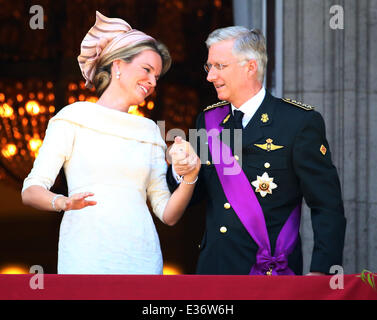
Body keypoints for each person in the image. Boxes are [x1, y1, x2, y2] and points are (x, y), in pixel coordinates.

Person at [21, 11, 200, 274]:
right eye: (147, 70)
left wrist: (190, 177)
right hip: (85, 256)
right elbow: (31, 190)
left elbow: (167, 214)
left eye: (157, 77)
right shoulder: (73, 117)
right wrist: (63, 202)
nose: (152, 82)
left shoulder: (150, 130)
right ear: (117, 65)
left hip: (143, 259)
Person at [166, 26, 346, 275]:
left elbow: (327, 205)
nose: (210, 77)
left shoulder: (298, 122)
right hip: (214, 270)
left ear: (250, 67)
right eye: (209, 67)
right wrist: (181, 170)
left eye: (220, 66)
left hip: (268, 272)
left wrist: (322, 271)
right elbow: (192, 196)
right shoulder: (207, 121)